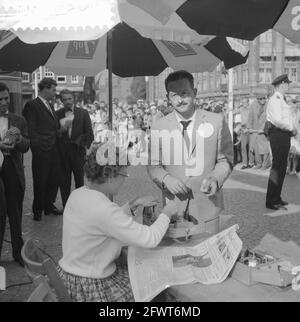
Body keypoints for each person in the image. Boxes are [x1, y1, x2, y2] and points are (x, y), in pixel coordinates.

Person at [57, 144, 178, 302]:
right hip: (91, 288)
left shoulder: (77, 195)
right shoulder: (104, 209)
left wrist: (131, 206)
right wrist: (166, 213)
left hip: (70, 280)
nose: (125, 179)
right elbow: (150, 238)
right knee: (153, 285)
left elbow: (102, 223)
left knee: (136, 272)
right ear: (109, 175)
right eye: (124, 174)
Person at [147, 70, 233, 232]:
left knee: (208, 253)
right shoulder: (159, 126)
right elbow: (153, 165)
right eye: (174, 95)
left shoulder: (216, 122)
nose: (180, 100)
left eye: (184, 93)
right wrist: (166, 178)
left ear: (194, 92)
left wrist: (215, 178)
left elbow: (225, 160)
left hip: (207, 207)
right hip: (174, 207)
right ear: (168, 98)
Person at [23, 78, 62, 221]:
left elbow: (53, 126)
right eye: (53, 89)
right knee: (41, 180)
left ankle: (48, 205)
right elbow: (31, 130)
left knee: (54, 179)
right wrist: (38, 148)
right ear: (45, 88)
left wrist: (60, 129)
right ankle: (38, 210)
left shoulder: (50, 106)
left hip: (54, 150)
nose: (55, 92)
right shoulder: (32, 105)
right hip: (42, 151)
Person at [0, 82, 30, 266]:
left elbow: (27, 146)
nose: (4, 103)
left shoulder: (19, 120)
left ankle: (18, 253)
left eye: (6, 99)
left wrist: (19, 138)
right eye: (0, 99)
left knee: (15, 212)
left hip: (12, 168)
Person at [55, 89, 94, 208]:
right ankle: (67, 207)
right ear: (61, 101)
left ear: (74, 99)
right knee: (64, 183)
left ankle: (80, 207)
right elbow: (52, 135)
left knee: (80, 183)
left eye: (69, 99)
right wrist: (60, 131)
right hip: (62, 154)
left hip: (78, 153)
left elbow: (90, 135)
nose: (67, 101)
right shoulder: (56, 114)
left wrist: (78, 142)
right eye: (65, 99)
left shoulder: (83, 113)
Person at [265, 74, 298, 210]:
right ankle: (271, 200)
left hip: (283, 135)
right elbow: (278, 120)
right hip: (278, 135)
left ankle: (276, 197)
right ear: (282, 84)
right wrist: (292, 128)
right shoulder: (275, 100)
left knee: (281, 168)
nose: (288, 86)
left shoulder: (282, 100)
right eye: (287, 84)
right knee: (277, 168)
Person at [247, 94, 271, 170]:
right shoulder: (253, 105)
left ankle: (265, 164)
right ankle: (258, 164)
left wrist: (264, 129)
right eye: (260, 99)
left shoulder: (269, 105)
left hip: (264, 130)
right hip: (254, 129)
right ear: (257, 99)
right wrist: (249, 127)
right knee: (256, 148)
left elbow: (269, 119)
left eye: (264, 98)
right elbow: (250, 116)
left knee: (265, 149)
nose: (262, 100)